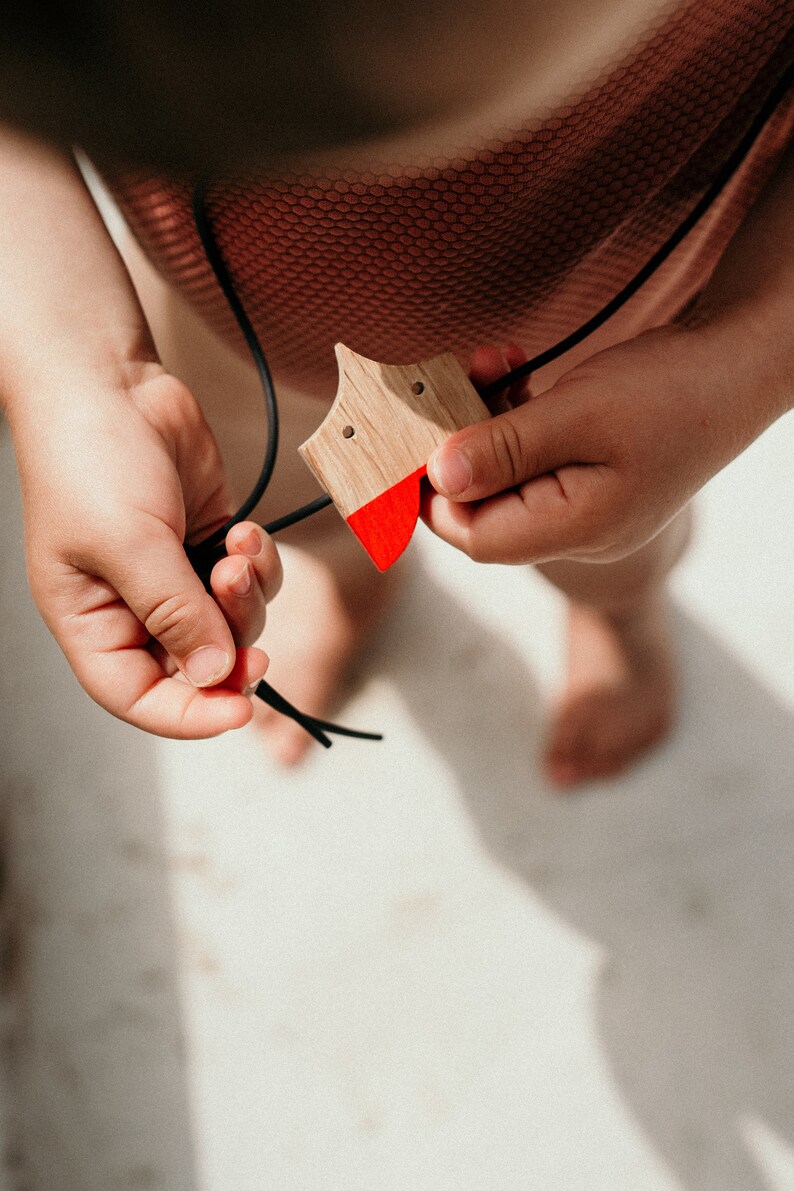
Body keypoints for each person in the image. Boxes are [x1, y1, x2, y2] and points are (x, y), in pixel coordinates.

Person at [0, 0, 792, 783]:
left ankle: (621, 612)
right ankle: (351, 580)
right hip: (236, 336)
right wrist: (81, 372)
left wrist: (744, 358)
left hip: (615, 344)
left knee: (605, 547)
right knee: (263, 499)